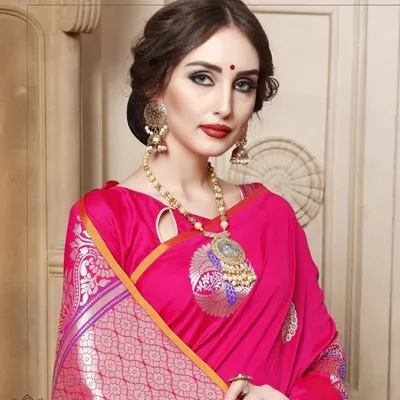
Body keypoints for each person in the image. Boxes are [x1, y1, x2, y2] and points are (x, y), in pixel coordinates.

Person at [51, 0, 348, 399]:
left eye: (243, 85)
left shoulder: (273, 216)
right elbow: (90, 382)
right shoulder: (107, 221)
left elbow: (324, 357)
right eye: (202, 78)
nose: (225, 106)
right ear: (155, 85)